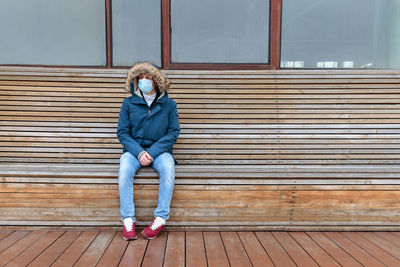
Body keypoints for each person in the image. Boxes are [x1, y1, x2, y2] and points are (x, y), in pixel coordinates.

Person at [117, 62, 180, 240]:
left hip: (159, 151)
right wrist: (138, 152)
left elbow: (173, 132)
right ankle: (128, 220)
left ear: (156, 80)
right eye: (140, 77)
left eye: (148, 77)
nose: (144, 80)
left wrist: (152, 152)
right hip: (134, 150)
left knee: (168, 169)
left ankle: (160, 218)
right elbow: (122, 132)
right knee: (124, 170)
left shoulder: (169, 105)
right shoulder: (129, 103)